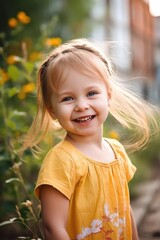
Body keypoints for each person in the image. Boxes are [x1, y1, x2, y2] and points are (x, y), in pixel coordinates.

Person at [22, 38, 159, 240]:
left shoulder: (117, 151)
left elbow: (125, 209)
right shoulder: (62, 160)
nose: (81, 105)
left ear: (108, 96)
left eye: (92, 93)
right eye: (68, 98)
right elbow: (53, 227)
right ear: (52, 110)